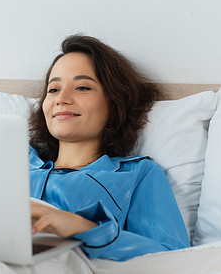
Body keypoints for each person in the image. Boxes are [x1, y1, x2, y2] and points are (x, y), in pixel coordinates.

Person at [28, 34, 190, 261]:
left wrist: (83, 227)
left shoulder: (137, 175)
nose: (61, 98)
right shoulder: (13, 159)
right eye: (53, 89)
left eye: (82, 87)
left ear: (114, 103)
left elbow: (171, 258)